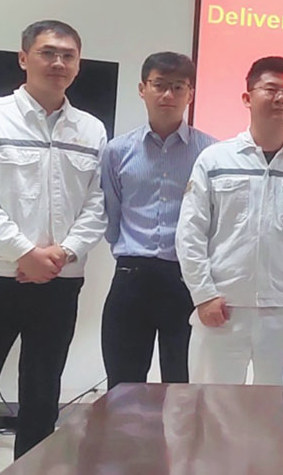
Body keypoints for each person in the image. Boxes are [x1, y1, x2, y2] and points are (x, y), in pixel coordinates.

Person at [0, 20, 108, 473]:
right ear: (23, 57)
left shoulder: (91, 129)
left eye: (68, 55)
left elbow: (97, 204)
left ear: (78, 65)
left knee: (42, 398)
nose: (58, 62)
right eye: (48, 52)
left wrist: (63, 253)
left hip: (60, 281)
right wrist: (24, 253)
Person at [176, 56, 283, 385]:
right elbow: (190, 233)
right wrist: (204, 294)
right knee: (212, 406)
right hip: (222, 308)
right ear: (247, 98)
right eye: (271, 89)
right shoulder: (215, 160)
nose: (281, 98)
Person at [99, 52, 217, 389]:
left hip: (186, 280)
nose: (168, 95)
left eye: (178, 87)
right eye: (160, 85)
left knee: (182, 386)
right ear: (142, 89)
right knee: (123, 386)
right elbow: (111, 213)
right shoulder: (117, 151)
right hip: (131, 276)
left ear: (190, 93)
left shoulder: (210, 153)